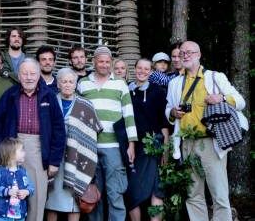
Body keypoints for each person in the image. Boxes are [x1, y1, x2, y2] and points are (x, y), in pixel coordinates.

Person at [166, 40, 247, 221]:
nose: (185, 55)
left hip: (210, 141)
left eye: (189, 52)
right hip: (186, 142)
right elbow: (168, 109)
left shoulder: (214, 77)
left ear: (199, 55)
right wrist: (172, 113)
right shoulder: (175, 83)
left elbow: (240, 101)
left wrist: (222, 97)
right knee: (193, 193)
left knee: (218, 192)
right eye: (182, 53)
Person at [0, 58, 66, 221]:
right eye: (25, 73)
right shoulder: (10, 95)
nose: (29, 77)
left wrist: (54, 161)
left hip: (39, 149)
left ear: (39, 75)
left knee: (36, 197)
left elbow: (59, 130)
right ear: (19, 75)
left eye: (33, 73)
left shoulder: (49, 96)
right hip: (12, 148)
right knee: (8, 195)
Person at [77, 46, 137, 221]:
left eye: (107, 61)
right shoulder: (83, 84)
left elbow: (129, 115)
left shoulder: (120, 84)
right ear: (94, 62)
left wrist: (131, 144)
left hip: (114, 147)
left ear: (111, 62)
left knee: (115, 193)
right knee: (93, 194)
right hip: (90, 146)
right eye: (100, 61)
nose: (104, 65)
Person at [45, 68, 101, 221]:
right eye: (64, 81)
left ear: (76, 84)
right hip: (54, 158)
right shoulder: (50, 101)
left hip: (78, 158)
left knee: (74, 201)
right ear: (58, 84)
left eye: (71, 82)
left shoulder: (86, 104)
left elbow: (92, 133)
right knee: (51, 201)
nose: (67, 85)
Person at [126, 59, 169, 221]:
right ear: (135, 69)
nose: (142, 71)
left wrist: (166, 149)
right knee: (132, 188)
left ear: (151, 72)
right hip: (132, 145)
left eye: (146, 69)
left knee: (156, 186)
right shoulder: (126, 90)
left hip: (154, 144)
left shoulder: (157, 91)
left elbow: (163, 123)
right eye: (139, 68)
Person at [0, 138, 35, 221]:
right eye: (21, 150)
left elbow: (30, 186)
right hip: (2, 215)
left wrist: (26, 192)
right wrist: (7, 191)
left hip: (20, 215)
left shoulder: (23, 171)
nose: (24, 153)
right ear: (11, 154)